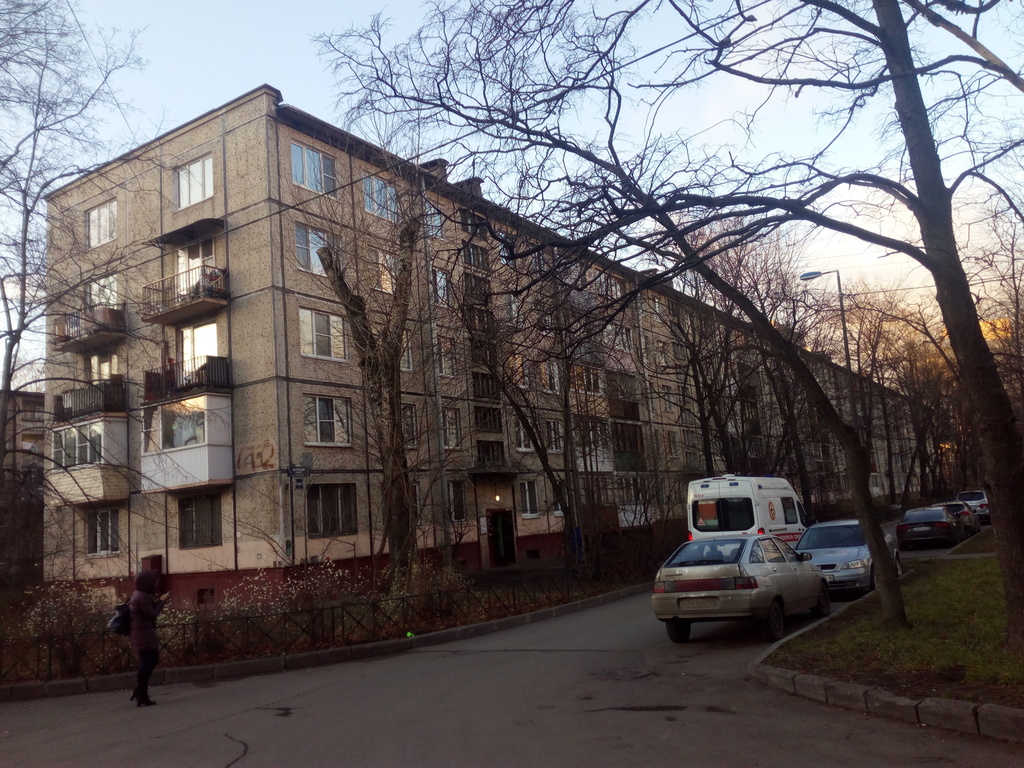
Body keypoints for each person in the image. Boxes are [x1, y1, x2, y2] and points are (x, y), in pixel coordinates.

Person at [128, 569, 167, 707]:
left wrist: (157, 601)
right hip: (143, 635)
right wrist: (161, 601)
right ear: (147, 582)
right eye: (154, 581)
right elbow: (151, 614)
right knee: (147, 662)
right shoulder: (143, 596)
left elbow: (147, 611)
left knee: (149, 661)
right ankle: (140, 693)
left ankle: (141, 694)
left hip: (141, 634)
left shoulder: (139, 594)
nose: (156, 584)